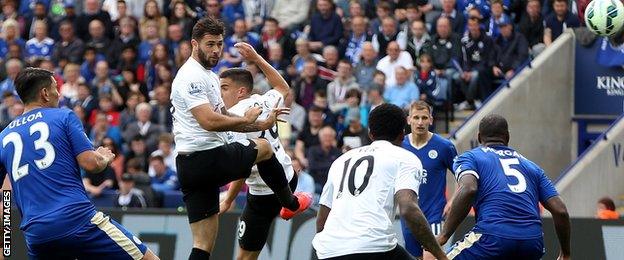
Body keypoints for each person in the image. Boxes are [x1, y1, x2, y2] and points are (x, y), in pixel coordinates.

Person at [170, 17, 310, 259]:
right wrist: (249, 120)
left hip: (190, 166)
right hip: (209, 159)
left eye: (219, 44)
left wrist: (259, 122)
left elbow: (222, 119)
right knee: (264, 148)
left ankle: (288, 201)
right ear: (194, 44)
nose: (216, 50)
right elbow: (210, 122)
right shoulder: (191, 76)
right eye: (210, 44)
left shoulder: (211, 77)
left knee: (202, 244)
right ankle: (290, 202)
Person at [0, 68, 159, 259]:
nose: (58, 93)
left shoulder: (3, 137)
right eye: (55, 88)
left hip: (36, 234)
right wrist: (104, 157)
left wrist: (4, 242)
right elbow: (91, 164)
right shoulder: (63, 116)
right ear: (44, 93)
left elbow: (4, 199)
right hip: (77, 220)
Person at [313, 103, 448, 260]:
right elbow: (408, 209)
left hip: (328, 250)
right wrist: (441, 256)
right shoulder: (405, 158)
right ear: (402, 134)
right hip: (373, 246)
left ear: (370, 134)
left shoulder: (341, 160)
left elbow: (322, 217)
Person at [218, 42, 311, 260]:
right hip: (288, 178)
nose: (219, 92)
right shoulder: (263, 100)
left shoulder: (236, 120)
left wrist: (229, 199)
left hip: (264, 192)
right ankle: (290, 203)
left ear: (240, 91)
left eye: (223, 87)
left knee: (244, 256)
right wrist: (257, 58)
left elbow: (242, 169)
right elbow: (282, 88)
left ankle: (290, 204)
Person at [438, 114, 571, 260]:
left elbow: (469, 188)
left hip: (493, 237)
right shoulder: (532, 167)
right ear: (507, 137)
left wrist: (444, 235)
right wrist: (565, 253)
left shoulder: (470, 157)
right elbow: (561, 210)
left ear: (479, 137)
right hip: (532, 242)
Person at [400, 101, 458, 258]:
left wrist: (453, 201)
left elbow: (464, 177)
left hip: (433, 217)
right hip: (409, 217)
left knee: (431, 257)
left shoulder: (444, 147)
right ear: (408, 119)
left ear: (431, 120)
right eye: (416, 117)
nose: (420, 122)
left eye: (424, 118)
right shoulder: (400, 146)